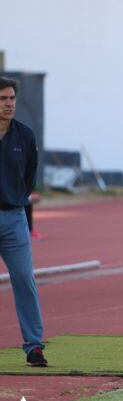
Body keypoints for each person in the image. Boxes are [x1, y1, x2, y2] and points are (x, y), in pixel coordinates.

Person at [0, 76, 47, 366]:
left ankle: (34, 347)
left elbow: (29, 176)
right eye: (3, 99)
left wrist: (18, 197)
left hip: (14, 218)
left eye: (12, 99)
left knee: (25, 279)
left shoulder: (25, 135)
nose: (9, 104)